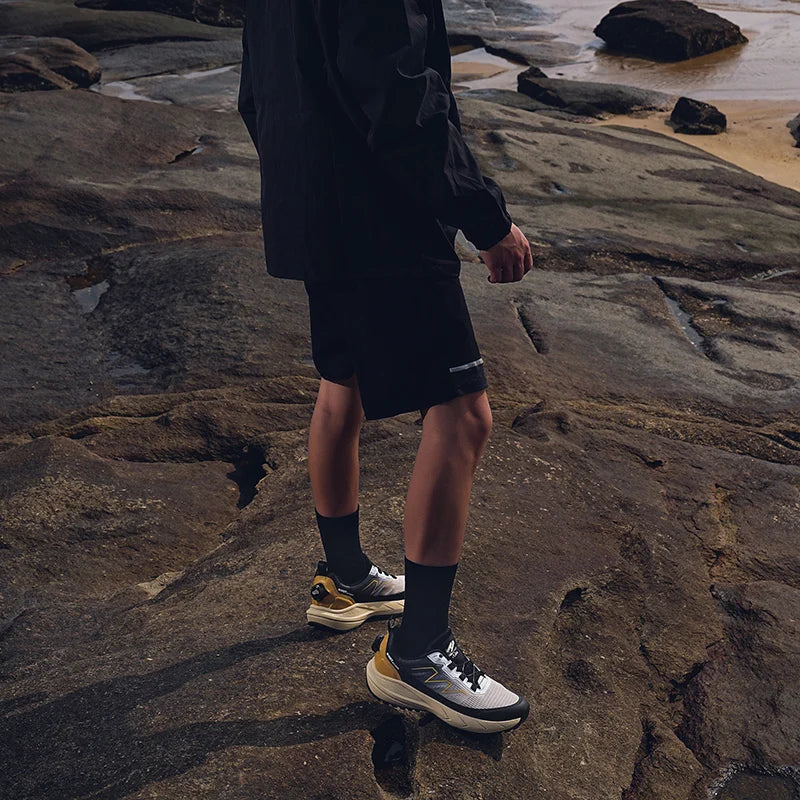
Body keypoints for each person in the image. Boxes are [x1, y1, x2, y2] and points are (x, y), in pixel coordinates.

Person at [238, 0, 533, 734]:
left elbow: (255, 93)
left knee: (344, 383)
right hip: (380, 219)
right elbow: (403, 98)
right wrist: (485, 219)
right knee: (463, 414)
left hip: (318, 207)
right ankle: (419, 650)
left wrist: (305, 177)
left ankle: (345, 580)